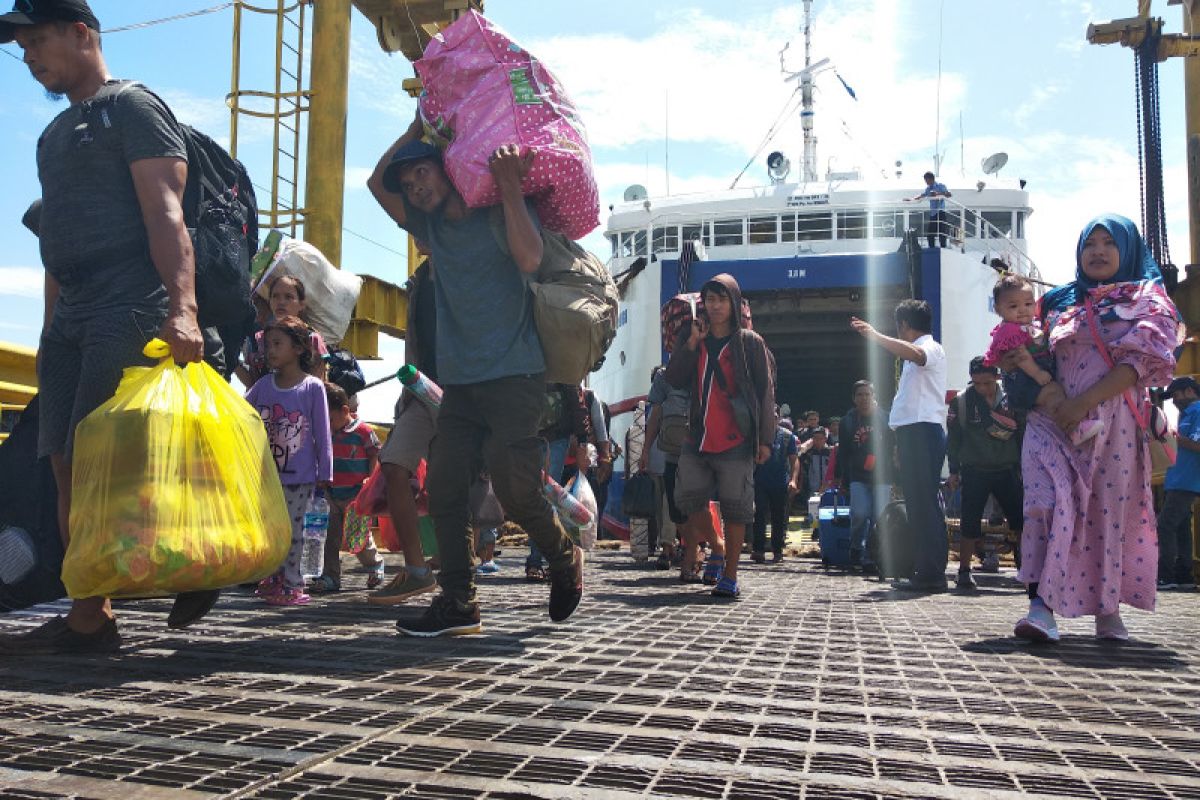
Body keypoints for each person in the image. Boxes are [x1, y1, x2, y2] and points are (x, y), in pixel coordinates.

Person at [0, 0, 222, 655]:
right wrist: (49, 332)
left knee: (109, 460)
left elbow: (165, 214)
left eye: (37, 39)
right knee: (65, 464)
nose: (28, 55)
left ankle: (196, 560)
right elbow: (56, 247)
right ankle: (89, 616)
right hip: (70, 318)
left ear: (81, 33)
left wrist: (182, 308)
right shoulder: (53, 135)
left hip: (128, 304)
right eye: (21, 45)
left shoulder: (134, 108)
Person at [369, 117, 583, 636]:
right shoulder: (431, 230)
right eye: (411, 185)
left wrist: (509, 185)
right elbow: (378, 183)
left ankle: (562, 555)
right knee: (443, 488)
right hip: (460, 383)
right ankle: (459, 602)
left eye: (422, 173)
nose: (416, 187)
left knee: (518, 492)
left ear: (447, 168)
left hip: (515, 375)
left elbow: (530, 257)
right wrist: (420, 125)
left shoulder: (494, 212)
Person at [1013, 214, 1180, 643]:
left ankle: (1107, 610)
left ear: (1127, 250)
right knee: (1045, 503)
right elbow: (1024, 350)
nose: (1099, 252)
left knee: (1107, 514)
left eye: (1109, 243)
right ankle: (1040, 606)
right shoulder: (1057, 301)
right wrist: (1050, 399)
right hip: (1051, 422)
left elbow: (1138, 364)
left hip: (1113, 427)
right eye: (1091, 244)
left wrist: (1082, 404)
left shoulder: (1150, 299)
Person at [664, 274, 777, 598]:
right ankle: (716, 545)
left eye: (721, 300)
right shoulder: (694, 335)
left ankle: (730, 575)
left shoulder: (749, 342)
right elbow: (673, 378)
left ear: (734, 303)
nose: (714, 306)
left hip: (737, 437)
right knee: (686, 498)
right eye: (709, 300)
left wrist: (765, 440)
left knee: (736, 508)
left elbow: (765, 391)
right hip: (698, 435)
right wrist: (690, 344)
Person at [852, 300, 948, 592]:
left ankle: (931, 573)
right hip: (913, 433)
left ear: (903, 325)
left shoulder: (929, 347)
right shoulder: (914, 354)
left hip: (922, 432)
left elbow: (919, 355)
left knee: (924, 505)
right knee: (919, 504)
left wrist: (875, 336)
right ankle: (925, 569)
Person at [244, 316, 334, 606]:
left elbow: (322, 432)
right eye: (267, 345)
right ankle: (271, 579)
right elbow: (242, 414)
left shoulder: (312, 387)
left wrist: (326, 471)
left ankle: (292, 583)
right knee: (268, 530)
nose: (270, 350)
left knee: (295, 532)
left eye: (277, 344)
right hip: (267, 476)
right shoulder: (262, 386)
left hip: (299, 476)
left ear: (298, 348)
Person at [369, 253, 438, 606]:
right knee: (394, 464)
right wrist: (406, 393)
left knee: (512, 486)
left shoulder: (477, 258)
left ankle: (561, 551)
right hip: (424, 393)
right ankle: (417, 571)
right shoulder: (420, 278)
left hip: (472, 393)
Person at [984, 273, 1101, 446]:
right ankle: (1075, 430)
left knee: (1054, 395)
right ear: (998, 309)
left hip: (1029, 377)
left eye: (1028, 304)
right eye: (1013, 306)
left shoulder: (1028, 325)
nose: (1022, 309)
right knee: (1053, 394)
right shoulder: (1009, 330)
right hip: (1025, 379)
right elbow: (1021, 356)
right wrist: (1038, 374)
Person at [945, 358, 1023, 591]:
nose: (982, 388)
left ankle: (1028, 567)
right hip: (975, 469)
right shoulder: (961, 402)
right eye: (977, 383)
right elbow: (954, 440)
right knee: (969, 522)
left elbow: (1023, 434)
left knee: (1020, 521)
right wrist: (954, 471)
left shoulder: (1013, 399)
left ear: (997, 377)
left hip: (1007, 469)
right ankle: (964, 571)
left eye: (987, 383)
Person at [309, 382, 385, 594]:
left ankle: (374, 564)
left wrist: (370, 478)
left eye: (330, 419)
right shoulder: (326, 433)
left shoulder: (363, 431)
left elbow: (375, 454)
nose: (328, 424)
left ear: (344, 411)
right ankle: (330, 576)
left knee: (357, 536)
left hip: (355, 494)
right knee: (329, 537)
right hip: (331, 492)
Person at [643, 365, 697, 579]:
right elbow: (655, 416)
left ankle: (694, 554)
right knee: (673, 505)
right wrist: (646, 450)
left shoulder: (706, 367)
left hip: (701, 451)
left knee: (697, 503)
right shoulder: (663, 377)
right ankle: (681, 548)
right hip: (673, 452)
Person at [835, 381, 893, 571]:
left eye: (868, 394)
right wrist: (842, 479)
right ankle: (856, 547)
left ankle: (873, 554)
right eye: (860, 395)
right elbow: (843, 452)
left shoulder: (886, 419)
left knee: (879, 516)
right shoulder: (847, 422)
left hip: (882, 476)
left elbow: (894, 448)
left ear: (874, 396)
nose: (864, 398)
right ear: (854, 398)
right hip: (858, 476)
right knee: (859, 514)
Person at [237, 275, 328, 388]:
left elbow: (318, 387)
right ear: (270, 301)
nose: (281, 302)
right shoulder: (259, 339)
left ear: (301, 304)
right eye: (275, 296)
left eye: (288, 297)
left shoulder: (312, 339)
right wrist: (232, 359)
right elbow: (253, 385)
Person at [1157, 376, 1200, 592]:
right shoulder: (1187, 415)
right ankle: (1184, 576)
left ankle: (1166, 576)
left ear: (1190, 391)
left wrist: (1169, 436)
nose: (1174, 400)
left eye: (1176, 394)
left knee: (1165, 525)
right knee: (1182, 528)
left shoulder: (1198, 411)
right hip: (1179, 480)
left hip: (1187, 480)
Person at [752, 417, 799, 563]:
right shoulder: (756, 434)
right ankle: (758, 549)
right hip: (759, 481)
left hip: (779, 482)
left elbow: (794, 459)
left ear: (778, 418)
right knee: (759, 515)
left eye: (774, 417)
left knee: (779, 517)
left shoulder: (786, 436)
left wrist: (793, 479)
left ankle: (777, 550)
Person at [905, 171, 952, 248]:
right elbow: (922, 195)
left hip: (940, 212)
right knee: (930, 235)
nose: (926, 182)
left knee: (942, 233)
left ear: (931, 179)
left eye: (926, 180)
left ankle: (943, 249)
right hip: (933, 214)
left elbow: (949, 194)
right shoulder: (928, 189)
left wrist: (937, 194)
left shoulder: (940, 186)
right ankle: (932, 250)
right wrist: (911, 199)